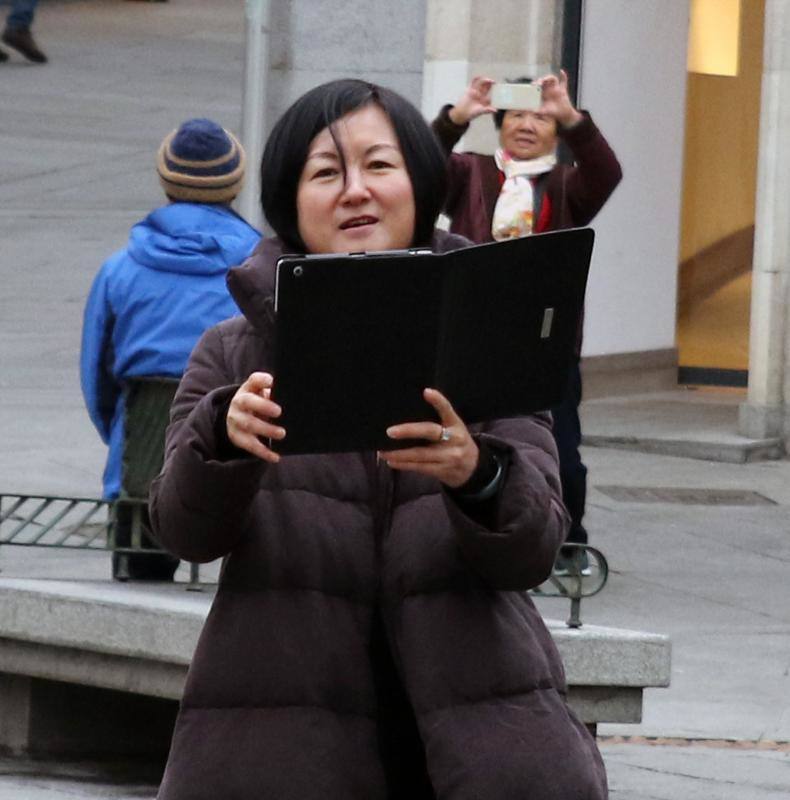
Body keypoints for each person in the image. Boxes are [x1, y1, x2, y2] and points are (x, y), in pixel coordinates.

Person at [148, 79, 608, 799]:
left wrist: (477, 474)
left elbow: (534, 548)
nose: (355, 192)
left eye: (379, 166)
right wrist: (223, 442)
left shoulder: (492, 340)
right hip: (282, 747)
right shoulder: (231, 355)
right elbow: (181, 531)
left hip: (477, 747)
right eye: (326, 173)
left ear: (422, 184)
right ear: (288, 202)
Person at [432, 71, 622, 574]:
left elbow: (605, 173)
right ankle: (468, 526)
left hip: (545, 340)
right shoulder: (470, 172)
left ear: (554, 132)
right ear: (498, 122)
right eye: (517, 113)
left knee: (561, 450)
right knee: (468, 437)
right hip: (472, 335)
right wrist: (456, 116)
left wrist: (573, 118)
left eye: (540, 117)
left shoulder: (565, 185)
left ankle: (566, 541)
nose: (527, 124)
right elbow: (419, 169)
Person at [80, 118, 260, 580]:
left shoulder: (118, 270)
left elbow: (96, 378)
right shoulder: (264, 269)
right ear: (234, 185)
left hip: (138, 468)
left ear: (166, 182)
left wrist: (121, 433)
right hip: (253, 476)